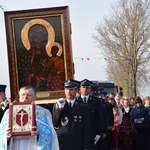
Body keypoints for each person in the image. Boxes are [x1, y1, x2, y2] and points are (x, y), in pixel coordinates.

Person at [0, 85, 59, 150]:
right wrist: (7, 135)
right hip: (15, 145)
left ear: (35, 97)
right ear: (19, 97)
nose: (25, 97)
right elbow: (1, 133)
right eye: (23, 95)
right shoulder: (9, 112)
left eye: (29, 95)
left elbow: (51, 133)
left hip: (33, 144)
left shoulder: (44, 112)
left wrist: (39, 132)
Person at [53, 79, 90, 150]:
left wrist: (86, 147)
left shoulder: (83, 107)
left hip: (77, 143)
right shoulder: (58, 105)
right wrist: (59, 110)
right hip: (62, 142)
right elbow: (55, 124)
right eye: (67, 89)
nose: (69, 91)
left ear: (76, 91)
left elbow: (86, 128)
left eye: (71, 89)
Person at [77, 79, 103, 150]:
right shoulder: (76, 101)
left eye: (87, 87)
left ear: (90, 89)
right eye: (83, 87)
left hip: (92, 132)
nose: (85, 89)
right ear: (80, 89)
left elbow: (100, 117)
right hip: (79, 133)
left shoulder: (96, 101)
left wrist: (99, 132)